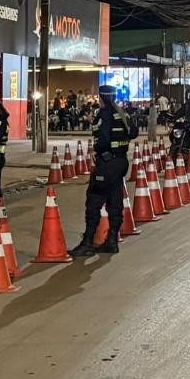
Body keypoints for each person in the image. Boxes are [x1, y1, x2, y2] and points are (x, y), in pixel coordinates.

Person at [68, 84, 133, 257]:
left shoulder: (105, 114)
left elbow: (103, 139)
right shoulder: (122, 113)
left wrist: (102, 152)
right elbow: (133, 132)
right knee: (115, 199)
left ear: (102, 97)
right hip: (121, 161)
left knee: (94, 200)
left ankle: (88, 242)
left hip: (107, 163)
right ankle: (111, 240)